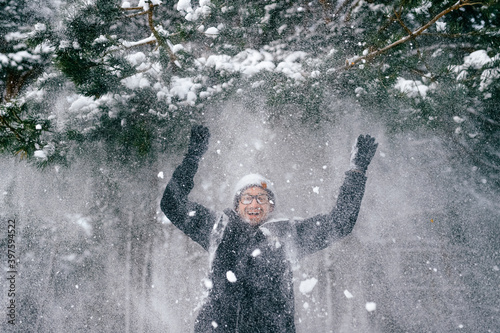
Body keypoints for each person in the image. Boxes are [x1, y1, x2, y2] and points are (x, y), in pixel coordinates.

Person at [160, 125, 378, 333]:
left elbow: (339, 223)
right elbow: (171, 204)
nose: (254, 204)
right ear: (236, 205)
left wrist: (356, 171)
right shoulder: (217, 228)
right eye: (247, 198)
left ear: (271, 206)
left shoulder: (288, 235)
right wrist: (192, 158)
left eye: (262, 198)